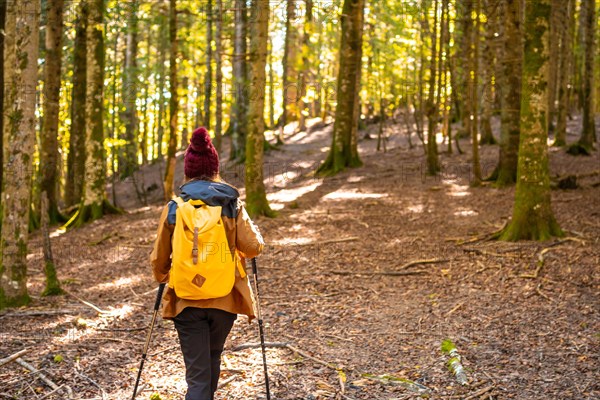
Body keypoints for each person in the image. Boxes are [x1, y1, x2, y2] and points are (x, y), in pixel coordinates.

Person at [150, 127, 264, 400]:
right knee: (212, 358)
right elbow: (252, 248)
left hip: (186, 300)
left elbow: (158, 258)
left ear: (187, 172)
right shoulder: (232, 204)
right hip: (224, 299)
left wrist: (163, 276)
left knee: (198, 375)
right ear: (215, 169)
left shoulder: (174, 207)